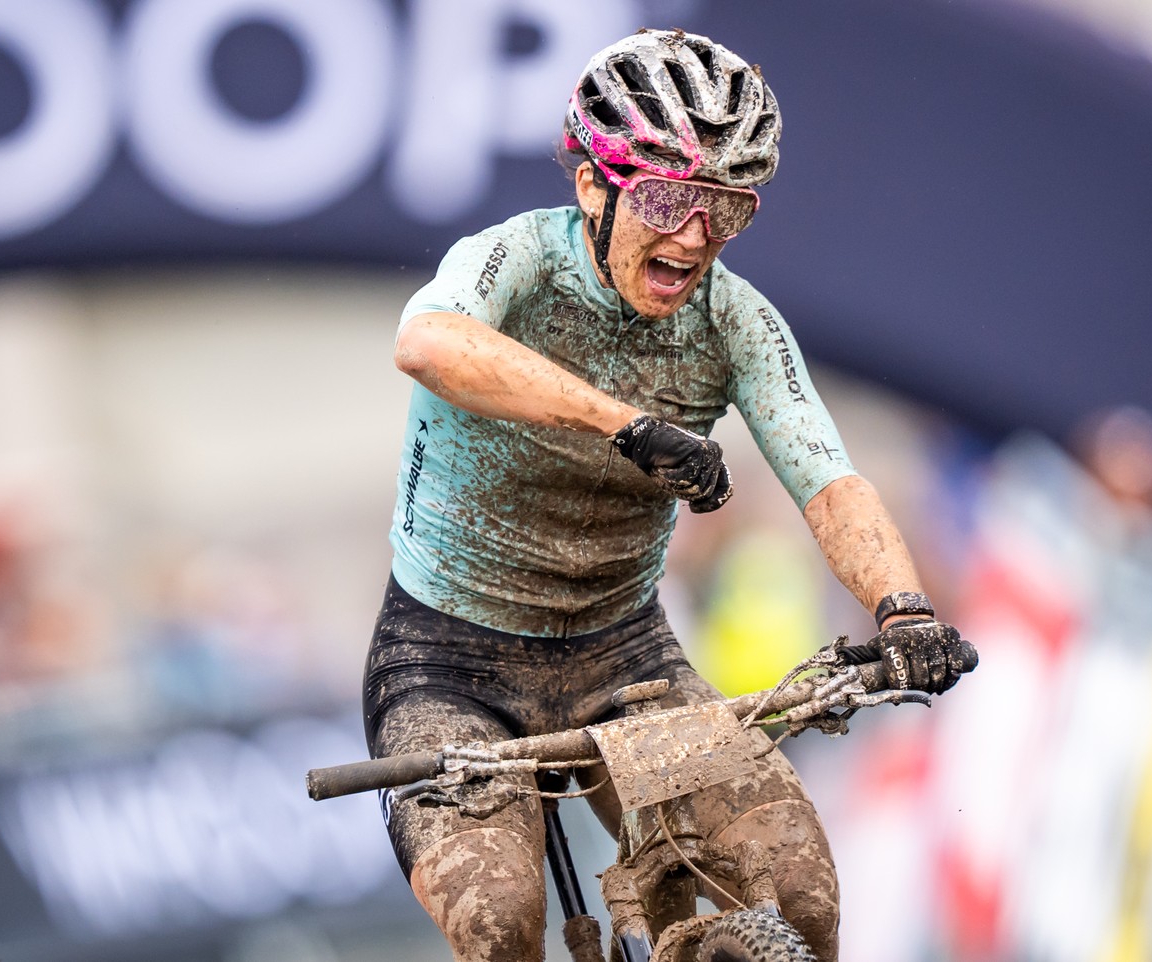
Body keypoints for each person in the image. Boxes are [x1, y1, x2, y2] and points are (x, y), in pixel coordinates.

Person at [364, 28, 977, 961]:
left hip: (626, 662)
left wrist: (903, 609)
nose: (693, 237)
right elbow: (428, 344)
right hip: (447, 665)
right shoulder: (517, 259)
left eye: (724, 209)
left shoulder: (738, 321)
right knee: (499, 922)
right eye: (662, 199)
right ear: (592, 187)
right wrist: (627, 426)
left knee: (802, 896)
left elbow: (827, 477)